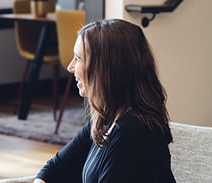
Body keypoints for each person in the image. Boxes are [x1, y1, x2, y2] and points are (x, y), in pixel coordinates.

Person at [34, 19, 176, 183]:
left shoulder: (131, 132)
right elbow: (54, 169)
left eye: (78, 59)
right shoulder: (106, 117)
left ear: (104, 68)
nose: (70, 67)